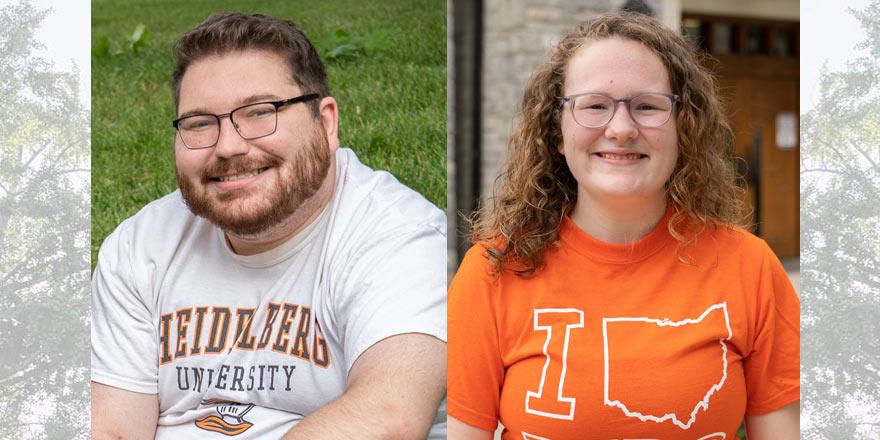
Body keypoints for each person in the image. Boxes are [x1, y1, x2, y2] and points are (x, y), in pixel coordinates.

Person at [91, 12, 446, 439]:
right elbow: (111, 426)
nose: (228, 146)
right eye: (200, 123)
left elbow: (390, 416)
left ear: (326, 122)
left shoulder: (404, 238)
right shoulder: (141, 246)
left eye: (260, 112)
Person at [448, 12, 799, 439]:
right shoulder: (493, 270)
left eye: (647, 106)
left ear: (682, 127)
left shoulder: (750, 267)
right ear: (557, 131)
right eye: (594, 106)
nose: (620, 128)